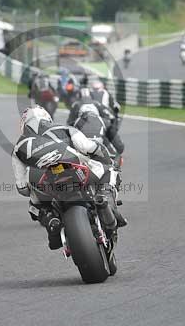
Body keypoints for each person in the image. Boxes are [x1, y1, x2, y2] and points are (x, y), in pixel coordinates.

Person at [11, 106, 125, 249]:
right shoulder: (65, 128)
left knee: (34, 204)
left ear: (23, 125)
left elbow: (22, 188)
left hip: (44, 180)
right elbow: (88, 147)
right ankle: (105, 199)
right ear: (47, 118)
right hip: (74, 165)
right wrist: (105, 158)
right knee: (110, 170)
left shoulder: (17, 148)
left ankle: (51, 220)